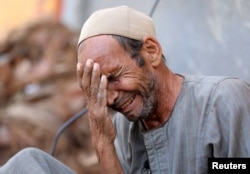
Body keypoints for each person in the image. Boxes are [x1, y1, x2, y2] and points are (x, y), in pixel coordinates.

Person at [1, 5, 250, 174]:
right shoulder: (124, 126)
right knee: (28, 164)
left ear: (151, 51)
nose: (110, 98)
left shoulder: (223, 102)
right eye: (98, 85)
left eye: (114, 77)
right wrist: (102, 141)